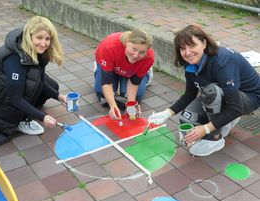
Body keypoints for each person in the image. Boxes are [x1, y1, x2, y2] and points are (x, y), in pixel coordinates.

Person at [148, 24, 260, 156]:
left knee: (211, 92)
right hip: (227, 96)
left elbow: (235, 108)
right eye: (182, 48)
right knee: (188, 118)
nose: (187, 52)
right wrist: (167, 113)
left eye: (192, 45)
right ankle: (225, 120)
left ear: (204, 43)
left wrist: (206, 129)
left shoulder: (222, 61)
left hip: (250, 98)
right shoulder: (191, 63)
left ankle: (215, 139)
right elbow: (190, 94)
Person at [0, 16, 66, 149]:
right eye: (39, 38)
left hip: (4, 91)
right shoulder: (14, 59)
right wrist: (43, 117)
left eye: (47, 39)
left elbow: (40, 81)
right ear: (29, 37)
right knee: (24, 93)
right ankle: (20, 120)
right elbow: (15, 99)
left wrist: (58, 96)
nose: (43, 43)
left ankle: (24, 112)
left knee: (52, 85)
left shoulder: (36, 51)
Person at [94, 28, 155, 120]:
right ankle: (99, 70)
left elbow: (134, 83)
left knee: (135, 97)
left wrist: (131, 104)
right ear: (127, 42)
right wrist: (113, 106)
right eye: (134, 49)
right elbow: (106, 82)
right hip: (111, 64)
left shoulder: (149, 57)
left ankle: (146, 74)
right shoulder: (109, 46)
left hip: (129, 70)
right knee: (102, 94)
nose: (136, 55)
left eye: (142, 52)